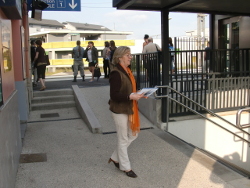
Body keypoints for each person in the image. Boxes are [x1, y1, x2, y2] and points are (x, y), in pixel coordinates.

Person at [108, 46, 145, 178]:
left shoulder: (127, 71)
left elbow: (128, 89)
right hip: (119, 110)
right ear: (120, 58)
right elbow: (114, 95)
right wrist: (130, 96)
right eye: (128, 55)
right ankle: (126, 167)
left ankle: (114, 157)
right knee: (123, 138)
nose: (131, 57)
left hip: (128, 107)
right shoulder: (116, 73)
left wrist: (138, 94)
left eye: (130, 54)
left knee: (133, 135)